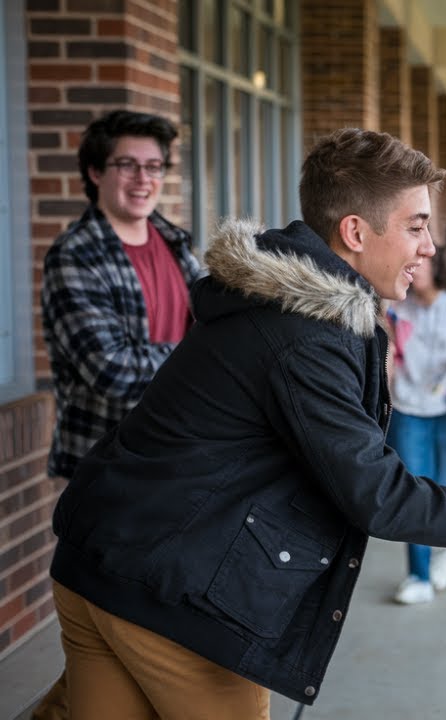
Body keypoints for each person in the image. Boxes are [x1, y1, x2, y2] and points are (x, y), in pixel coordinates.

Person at [46, 128, 446, 718]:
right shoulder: (308, 336)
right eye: (416, 226)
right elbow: (375, 492)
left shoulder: (288, 308)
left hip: (101, 559)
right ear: (355, 233)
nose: (430, 247)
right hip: (167, 591)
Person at [36, 109, 204, 720]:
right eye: (127, 165)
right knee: (123, 632)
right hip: (108, 472)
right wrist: (198, 361)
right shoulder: (75, 255)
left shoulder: (175, 244)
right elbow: (107, 370)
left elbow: (221, 332)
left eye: (154, 166)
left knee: (128, 639)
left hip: (177, 464)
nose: (143, 179)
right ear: (95, 172)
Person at [385, 250, 446, 605]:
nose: (415, 268)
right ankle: (418, 575)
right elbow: (386, 350)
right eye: (410, 262)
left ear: (438, 264)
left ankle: (441, 545)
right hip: (408, 406)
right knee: (415, 490)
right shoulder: (395, 303)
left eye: (422, 262)